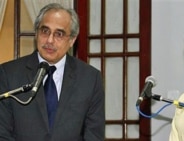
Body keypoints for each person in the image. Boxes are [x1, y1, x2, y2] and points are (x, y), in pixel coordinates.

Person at [0, 3, 105, 141]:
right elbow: (2, 133)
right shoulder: (8, 74)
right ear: (36, 33)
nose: (50, 40)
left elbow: (94, 135)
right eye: (45, 31)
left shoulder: (90, 79)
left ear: (72, 40)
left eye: (59, 34)